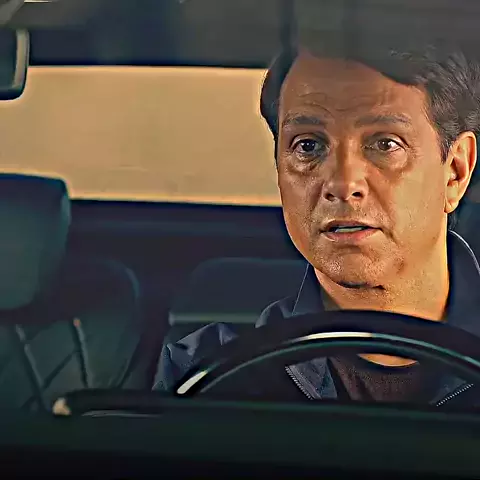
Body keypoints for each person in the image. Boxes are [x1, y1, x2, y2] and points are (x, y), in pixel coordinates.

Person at [154, 34, 480, 406]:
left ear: (455, 171)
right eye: (308, 145)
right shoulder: (204, 379)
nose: (343, 183)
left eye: (385, 144)